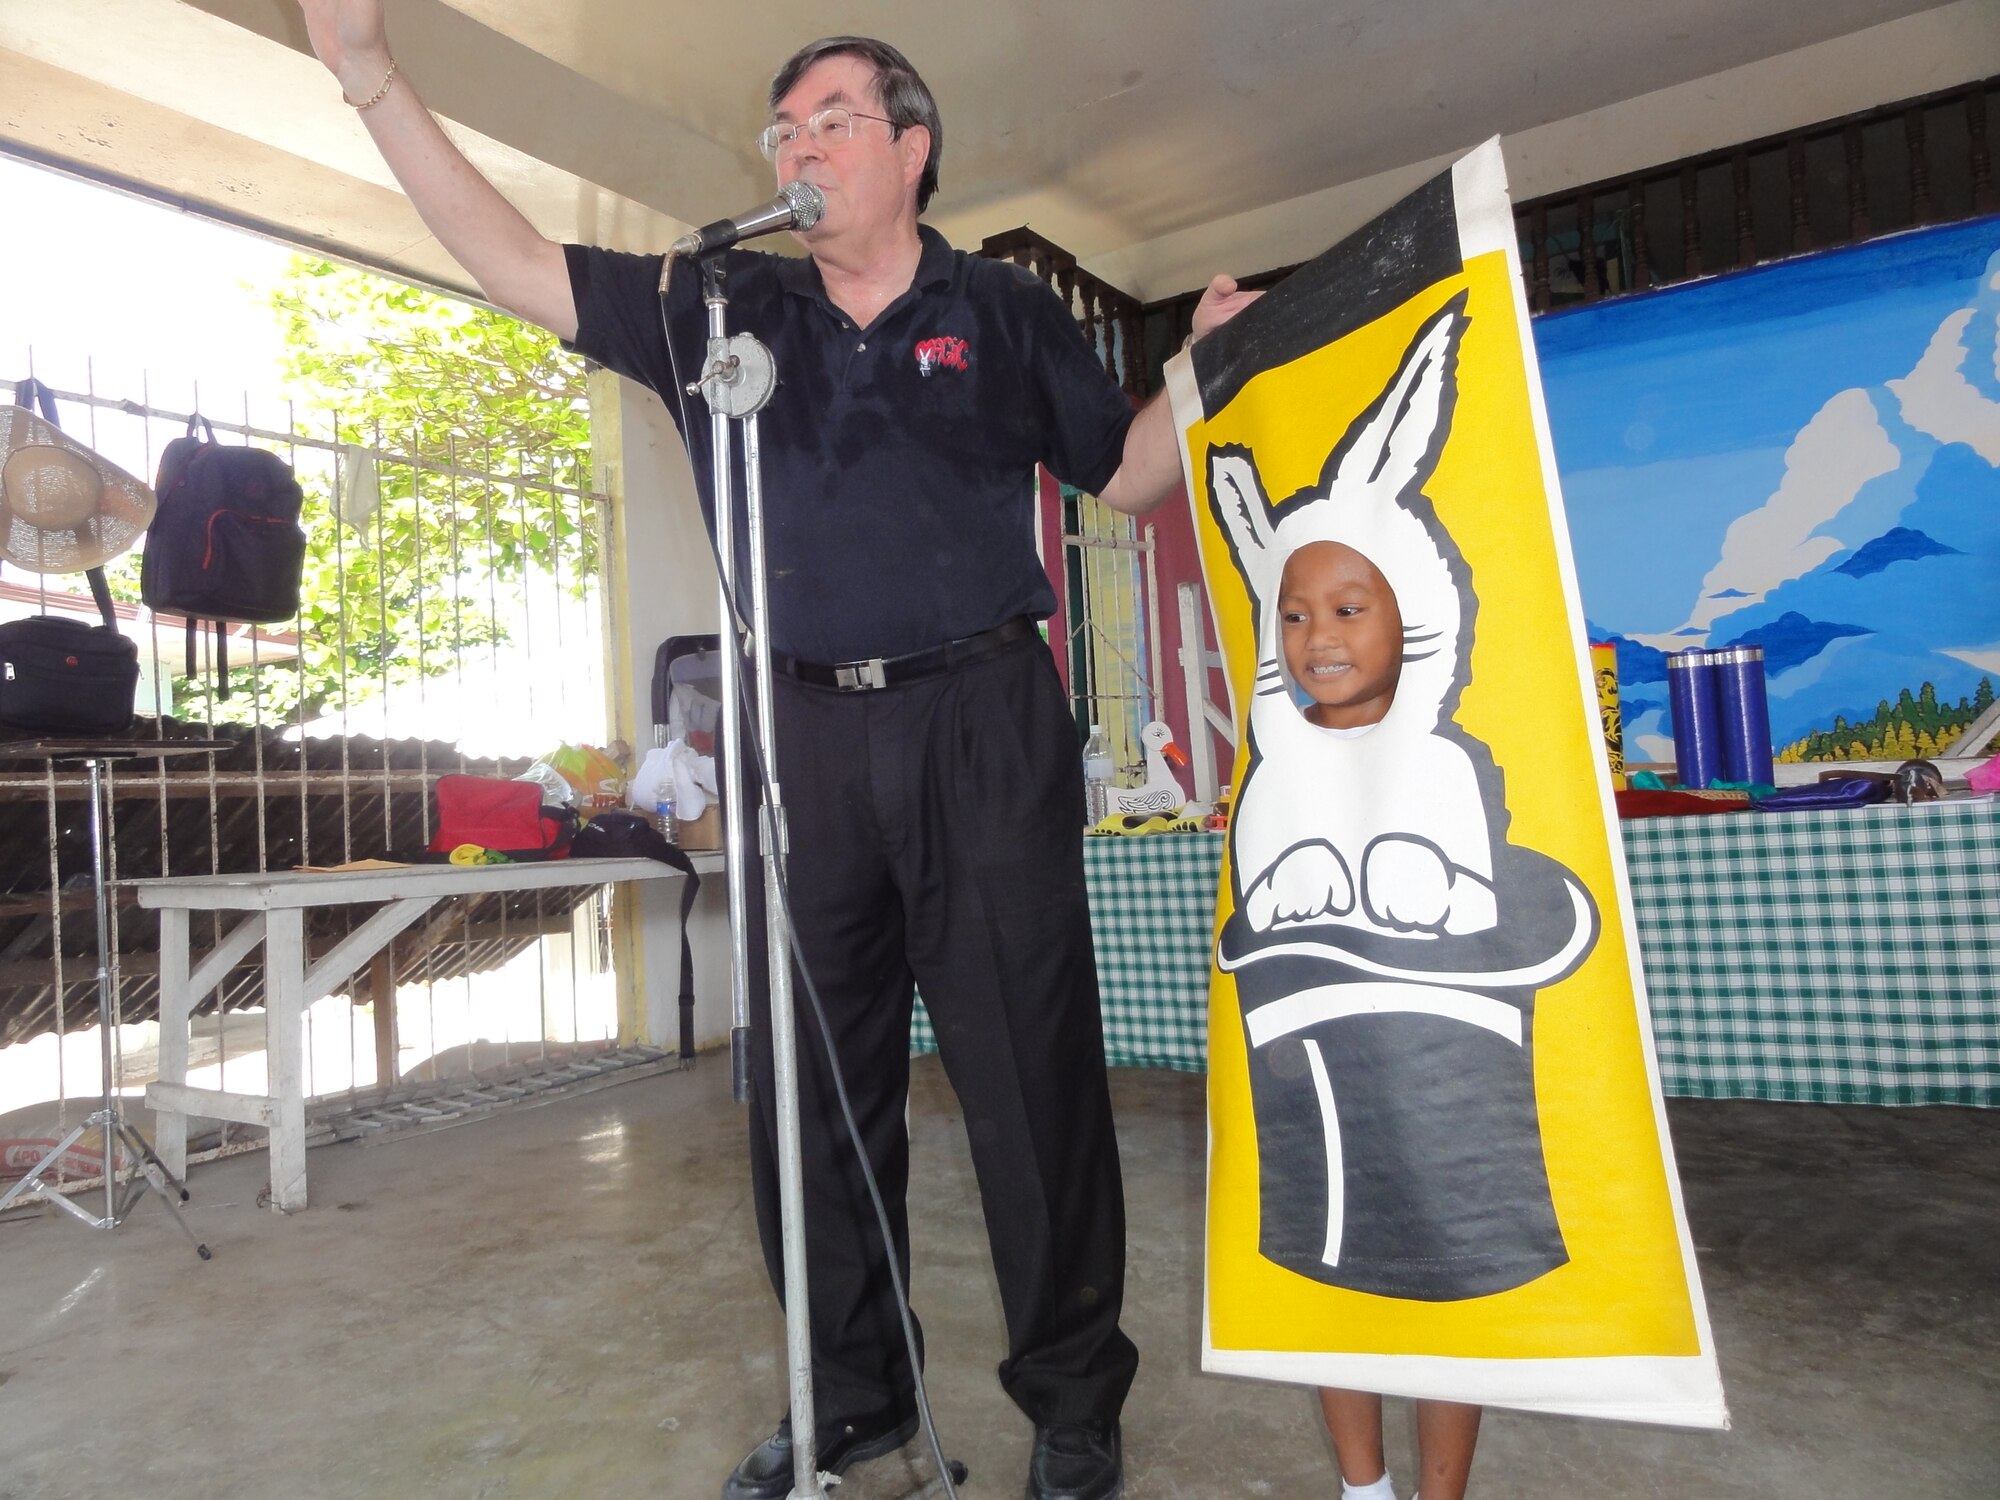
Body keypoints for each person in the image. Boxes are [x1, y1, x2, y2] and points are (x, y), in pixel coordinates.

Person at [293, 8, 1257, 1499]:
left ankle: (1073, 1402)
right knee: (805, 1087)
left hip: (981, 722)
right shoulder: (725, 306)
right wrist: (373, 78)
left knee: (1029, 1080)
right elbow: (514, 265)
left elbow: (1125, 478)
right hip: (800, 729)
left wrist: (1196, 368)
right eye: (783, 131)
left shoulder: (1000, 309)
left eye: (831, 121)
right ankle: (851, 1394)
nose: (800, 147)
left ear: (911, 149)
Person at [1277, 540, 1483, 1500]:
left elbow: (1487, 913)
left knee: (1448, 1285)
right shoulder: (1274, 766)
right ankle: (1363, 1489)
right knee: (1334, 1276)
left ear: (1411, 618)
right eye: (1295, 614)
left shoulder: (1446, 761)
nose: (1318, 636)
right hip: (1319, 1075)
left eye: (1350, 609)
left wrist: (1433, 882)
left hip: (1439, 1075)